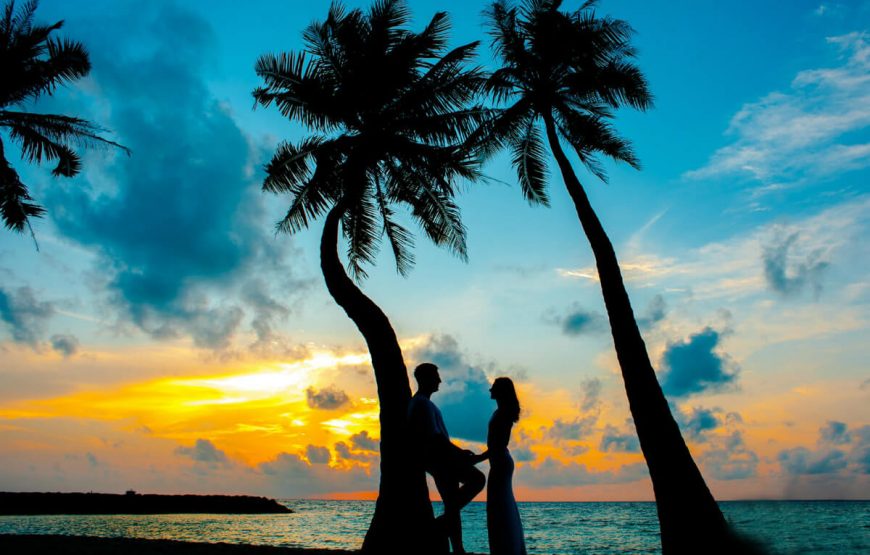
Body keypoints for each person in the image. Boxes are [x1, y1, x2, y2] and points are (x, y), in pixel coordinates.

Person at [408, 363, 485, 554]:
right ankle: (436, 530)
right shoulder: (422, 403)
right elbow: (435, 438)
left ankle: (457, 547)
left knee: (452, 504)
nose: (439, 380)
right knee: (477, 480)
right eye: (435, 376)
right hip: (441, 461)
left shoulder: (423, 403)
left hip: (441, 460)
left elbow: (437, 437)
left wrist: (458, 453)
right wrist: (459, 453)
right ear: (425, 379)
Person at [471, 377, 527, 555]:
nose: (490, 390)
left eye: (493, 387)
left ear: (501, 390)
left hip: (500, 462)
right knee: (501, 505)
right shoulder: (502, 411)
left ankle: (506, 548)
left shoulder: (503, 413)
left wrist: (478, 458)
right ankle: (507, 546)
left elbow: (499, 444)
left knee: (499, 506)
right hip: (500, 461)